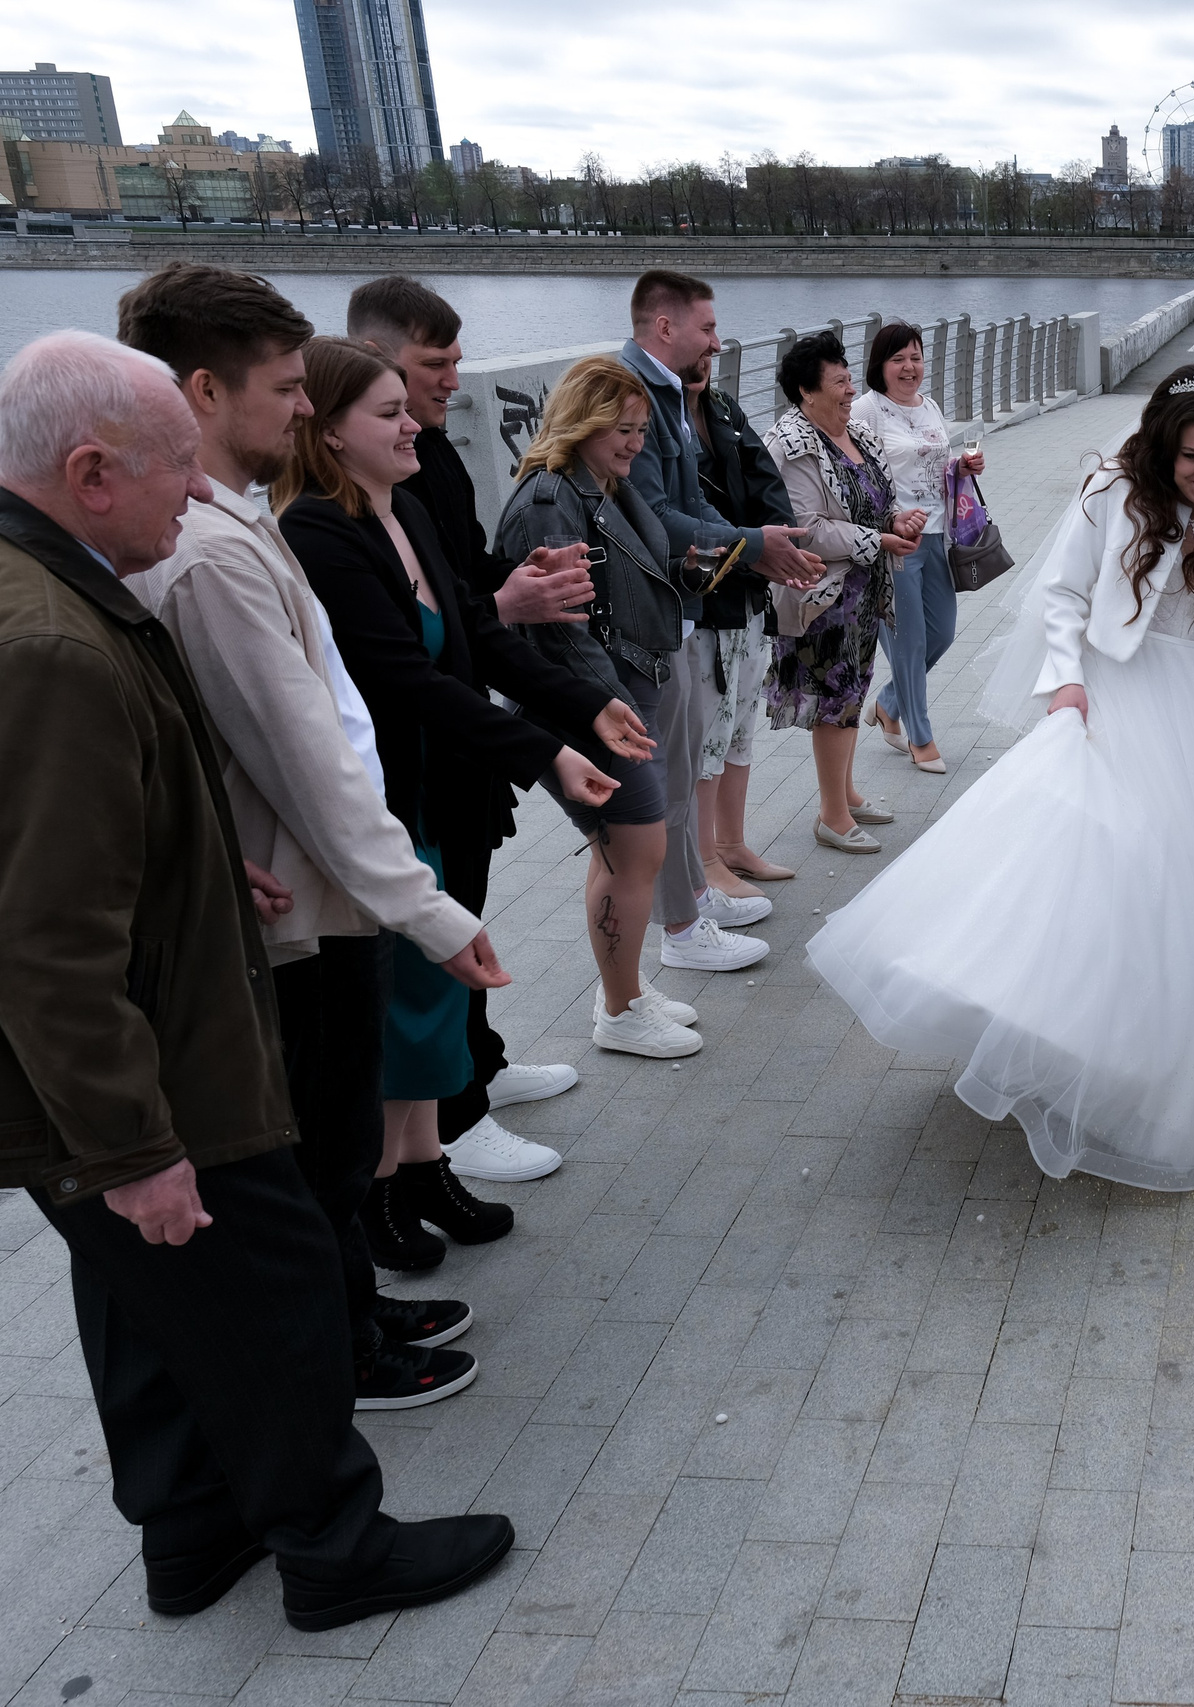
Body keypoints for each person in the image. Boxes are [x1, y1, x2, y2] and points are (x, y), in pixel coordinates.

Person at [0, 328, 513, 1628]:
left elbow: (58, 831)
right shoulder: (52, 639)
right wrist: (132, 1145)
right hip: (146, 1059)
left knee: (142, 1301)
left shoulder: (48, 586)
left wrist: (190, 841)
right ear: (90, 470)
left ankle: (190, 1534)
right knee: (275, 1281)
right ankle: (335, 1546)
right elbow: (46, 940)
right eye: (175, 466)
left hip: (101, 1062)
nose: (199, 491)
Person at [808, 364, 1194, 1189]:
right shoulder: (1114, 491)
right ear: (1163, 448)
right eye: (1191, 456)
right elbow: (1063, 594)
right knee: (1106, 879)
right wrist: (1065, 682)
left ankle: (1173, 1082)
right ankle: (1084, 1046)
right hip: (1115, 699)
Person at [119, 264, 494, 1408]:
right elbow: (305, 755)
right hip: (300, 906)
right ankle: (346, 1354)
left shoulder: (235, 519)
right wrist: (428, 909)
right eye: (285, 387)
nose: (300, 406)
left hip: (319, 884)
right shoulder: (211, 549)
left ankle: (354, 1315)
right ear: (203, 389)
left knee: (335, 1128)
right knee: (321, 1141)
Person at [277, 338, 637, 1269]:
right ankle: (380, 1192)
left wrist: (584, 705)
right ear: (328, 430)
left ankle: (423, 1162)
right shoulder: (318, 532)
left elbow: (476, 630)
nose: (412, 425)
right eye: (388, 413)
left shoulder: (402, 507)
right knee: (403, 995)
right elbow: (405, 677)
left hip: (444, 784)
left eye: (408, 408)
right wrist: (548, 753)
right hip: (387, 796)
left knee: (435, 987)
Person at [348, 274, 588, 1185]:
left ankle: (476, 1064)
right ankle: (454, 1115)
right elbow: (411, 647)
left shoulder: (424, 466)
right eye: (432, 366)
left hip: (459, 740)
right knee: (432, 935)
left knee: (465, 910)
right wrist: (504, 606)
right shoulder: (337, 521)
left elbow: (458, 585)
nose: (451, 381)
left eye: (457, 361)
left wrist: (515, 579)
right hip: (423, 749)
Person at [495, 356, 725, 1057]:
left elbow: (624, 576)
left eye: (640, 429)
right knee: (635, 846)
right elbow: (559, 628)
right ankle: (621, 1011)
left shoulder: (601, 485)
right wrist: (608, 704)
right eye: (622, 428)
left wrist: (682, 572)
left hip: (618, 694)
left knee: (621, 848)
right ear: (581, 421)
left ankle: (620, 988)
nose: (634, 442)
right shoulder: (550, 500)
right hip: (591, 701)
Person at [618, 270, 823, 963]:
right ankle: (680, 931)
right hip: (652, 618)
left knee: (680, 774)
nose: (717, 341)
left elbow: (693, 506)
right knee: (662, 784)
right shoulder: (631, 393)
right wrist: (752, 545)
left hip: (680, 610)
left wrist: (754, 547)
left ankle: (694, 898)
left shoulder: (667, 393)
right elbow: (653, 519)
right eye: (707, 327)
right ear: (664, 326)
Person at [763, 330, 920, 855]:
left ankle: (846, 794)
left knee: (854, 690)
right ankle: (832, 816)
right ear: (806, 392)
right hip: (823, 596)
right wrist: (879, 539)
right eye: (839, 382)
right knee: (834, 698)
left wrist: (897, 520)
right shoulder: (792, 444)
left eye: (850, 379)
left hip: (863, 590)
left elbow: (877, 500)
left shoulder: (858, 432)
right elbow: (806, 528)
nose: (852, 391)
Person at [682, 355, 801, 892]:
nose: (707, 355)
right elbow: (682, 511)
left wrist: (780, 543)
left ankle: (732, 844)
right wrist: (754, 551)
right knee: (708, 732)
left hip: (749, 592)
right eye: (700, 341)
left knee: (740, 727)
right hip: (707, 599)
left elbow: (765, 479)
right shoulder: (656, 416)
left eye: (712, 346)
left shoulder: (723, 408)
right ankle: (703, 856)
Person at [851, 320, 985, 775]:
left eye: (916, 357)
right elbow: (857, 474)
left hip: (937, 534)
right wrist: (884, 524)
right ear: (880, 365)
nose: (909, 367)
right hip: (896, 542)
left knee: (941, 633)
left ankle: (889, 704)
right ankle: (920, 738)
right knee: (908, 643)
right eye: (898, 359)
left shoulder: (930, 407)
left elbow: (935, 465)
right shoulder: (867, 410)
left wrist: (961, 466)